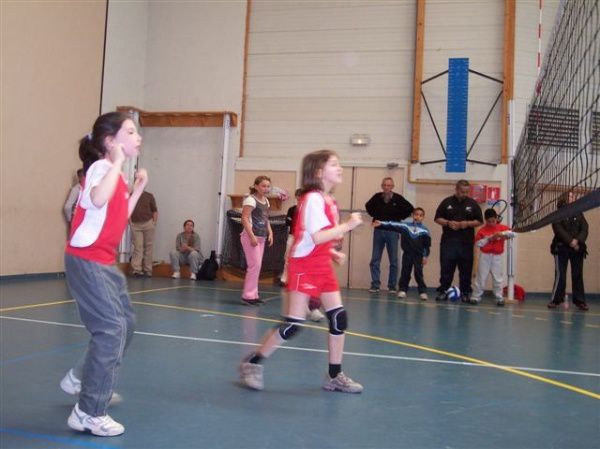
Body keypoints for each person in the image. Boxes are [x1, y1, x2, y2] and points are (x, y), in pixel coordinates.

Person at [239, 149, 364, 393]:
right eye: (334, 164)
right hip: (304, 265)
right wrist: (347, 226)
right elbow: (316, 236)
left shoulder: (329, 201)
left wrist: (331, 252)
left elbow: (316, 238)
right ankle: (252, 363)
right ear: (318, 172)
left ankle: (334, 375)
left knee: (339, 317)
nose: (340, 168)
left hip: (321, 263)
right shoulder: (313, 199)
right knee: (294, 324)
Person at [61, 112, 146, 436]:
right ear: (111, 142)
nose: (137, 137)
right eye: (130, 132)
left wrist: (137, 187)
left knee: (127, 324)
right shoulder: (100, 168)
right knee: (111, 330)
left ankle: (80, 378)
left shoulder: (116, 174)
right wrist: (118, 163)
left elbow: (117, 213)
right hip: (86, 260)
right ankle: (88, 412)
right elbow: (97, 197)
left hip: (104, 262)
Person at [434, 180, 483, 303]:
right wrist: (447, 223)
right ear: (456, 189)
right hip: (448, 242)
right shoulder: (446, 202)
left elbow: (479, 221)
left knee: (466, 270)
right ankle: (443, 291)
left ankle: (465, 293)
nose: (464, 194)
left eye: (467, 192)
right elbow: (437, 218)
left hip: (466, 243)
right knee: (446, 269)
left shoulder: (473, 204)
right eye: (462, 191)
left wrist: (466, 224)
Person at [282, 188, 325, 322]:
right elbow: (290, 227)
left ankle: (314, 307)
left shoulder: (314, 211)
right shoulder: (293, 210)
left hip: (310, 245)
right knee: (290, 275)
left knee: (314, 277)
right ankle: (296, 306)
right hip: (294, 242)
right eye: (299, 197)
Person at [365, 177, 413, 293]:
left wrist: (399, 217)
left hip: (393, 231)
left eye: (389, 185)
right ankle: (375, 285)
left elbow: (410, 209)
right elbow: (368, 206)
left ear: (392, 187)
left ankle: (392, 286)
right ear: (382, 186)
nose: (387, 187)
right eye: (385, 185)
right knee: (375, 259)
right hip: (379, 230)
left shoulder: (398, 198)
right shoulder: (377, 197)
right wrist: (375, 215)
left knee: (394, 261)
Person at [373, 207, 431, 300]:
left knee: (418, 273)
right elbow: (393, 225)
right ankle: (403, 290)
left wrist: (425, 256)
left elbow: (427, 246)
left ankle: (422, 292)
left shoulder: (425, 230)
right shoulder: (405, 226)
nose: (418, 217)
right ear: (412, 215)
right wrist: (381, 224)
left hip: (418, 255)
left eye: (420, 215)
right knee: (405, 272)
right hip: (407, 254)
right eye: (416, 214)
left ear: (423, 217)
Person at [548, 192, 589, 311]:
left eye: (573, 196)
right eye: (571, 196)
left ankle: (580, 301)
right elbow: (558, 229)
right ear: (565, 199)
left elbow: (585, 228)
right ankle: (555, 299)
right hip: (561, 247)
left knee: (577, 274)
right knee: (561, 275)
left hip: (577, 248)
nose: (574, 197)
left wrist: (577, 241)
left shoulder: (579, 212)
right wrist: (570, 241)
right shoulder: (558, 214)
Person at [240, 176, 274, 306]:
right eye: (263, 186)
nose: (266, 188)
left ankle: (254, 295)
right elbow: (244, 218)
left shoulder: (266, 201)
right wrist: (252, 236)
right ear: (256, 186)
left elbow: (266, 219)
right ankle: (247, 295)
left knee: (257, 266)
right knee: (254, 265)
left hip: (262, 237)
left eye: (268, 186)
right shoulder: (250, 200)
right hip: (250, 237)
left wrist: (270, 232)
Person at [471, 208, 515, 306]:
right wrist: (490, 238)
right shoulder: (482, 230)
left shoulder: (502, 228)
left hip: (497, 257)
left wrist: (503, 234)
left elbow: (513, 233)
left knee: (498, 278)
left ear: (496, 219)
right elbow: (478, 243)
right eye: (489, 221)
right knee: (481, 277)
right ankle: (476, 296)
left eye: (493, 221)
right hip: (485, 256)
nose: (491, 223)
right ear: (486, 220)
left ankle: (499, 297)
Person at [129, 190, 158, 277]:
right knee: (138, 247)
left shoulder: (149, 195)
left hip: (148, 223)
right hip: (135, 224)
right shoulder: (130, 195)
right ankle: (136, 269)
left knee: (148, 247)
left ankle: (148, 270)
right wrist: (130, 222)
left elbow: (155, 210)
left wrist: (154, 222)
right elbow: (127, 209)